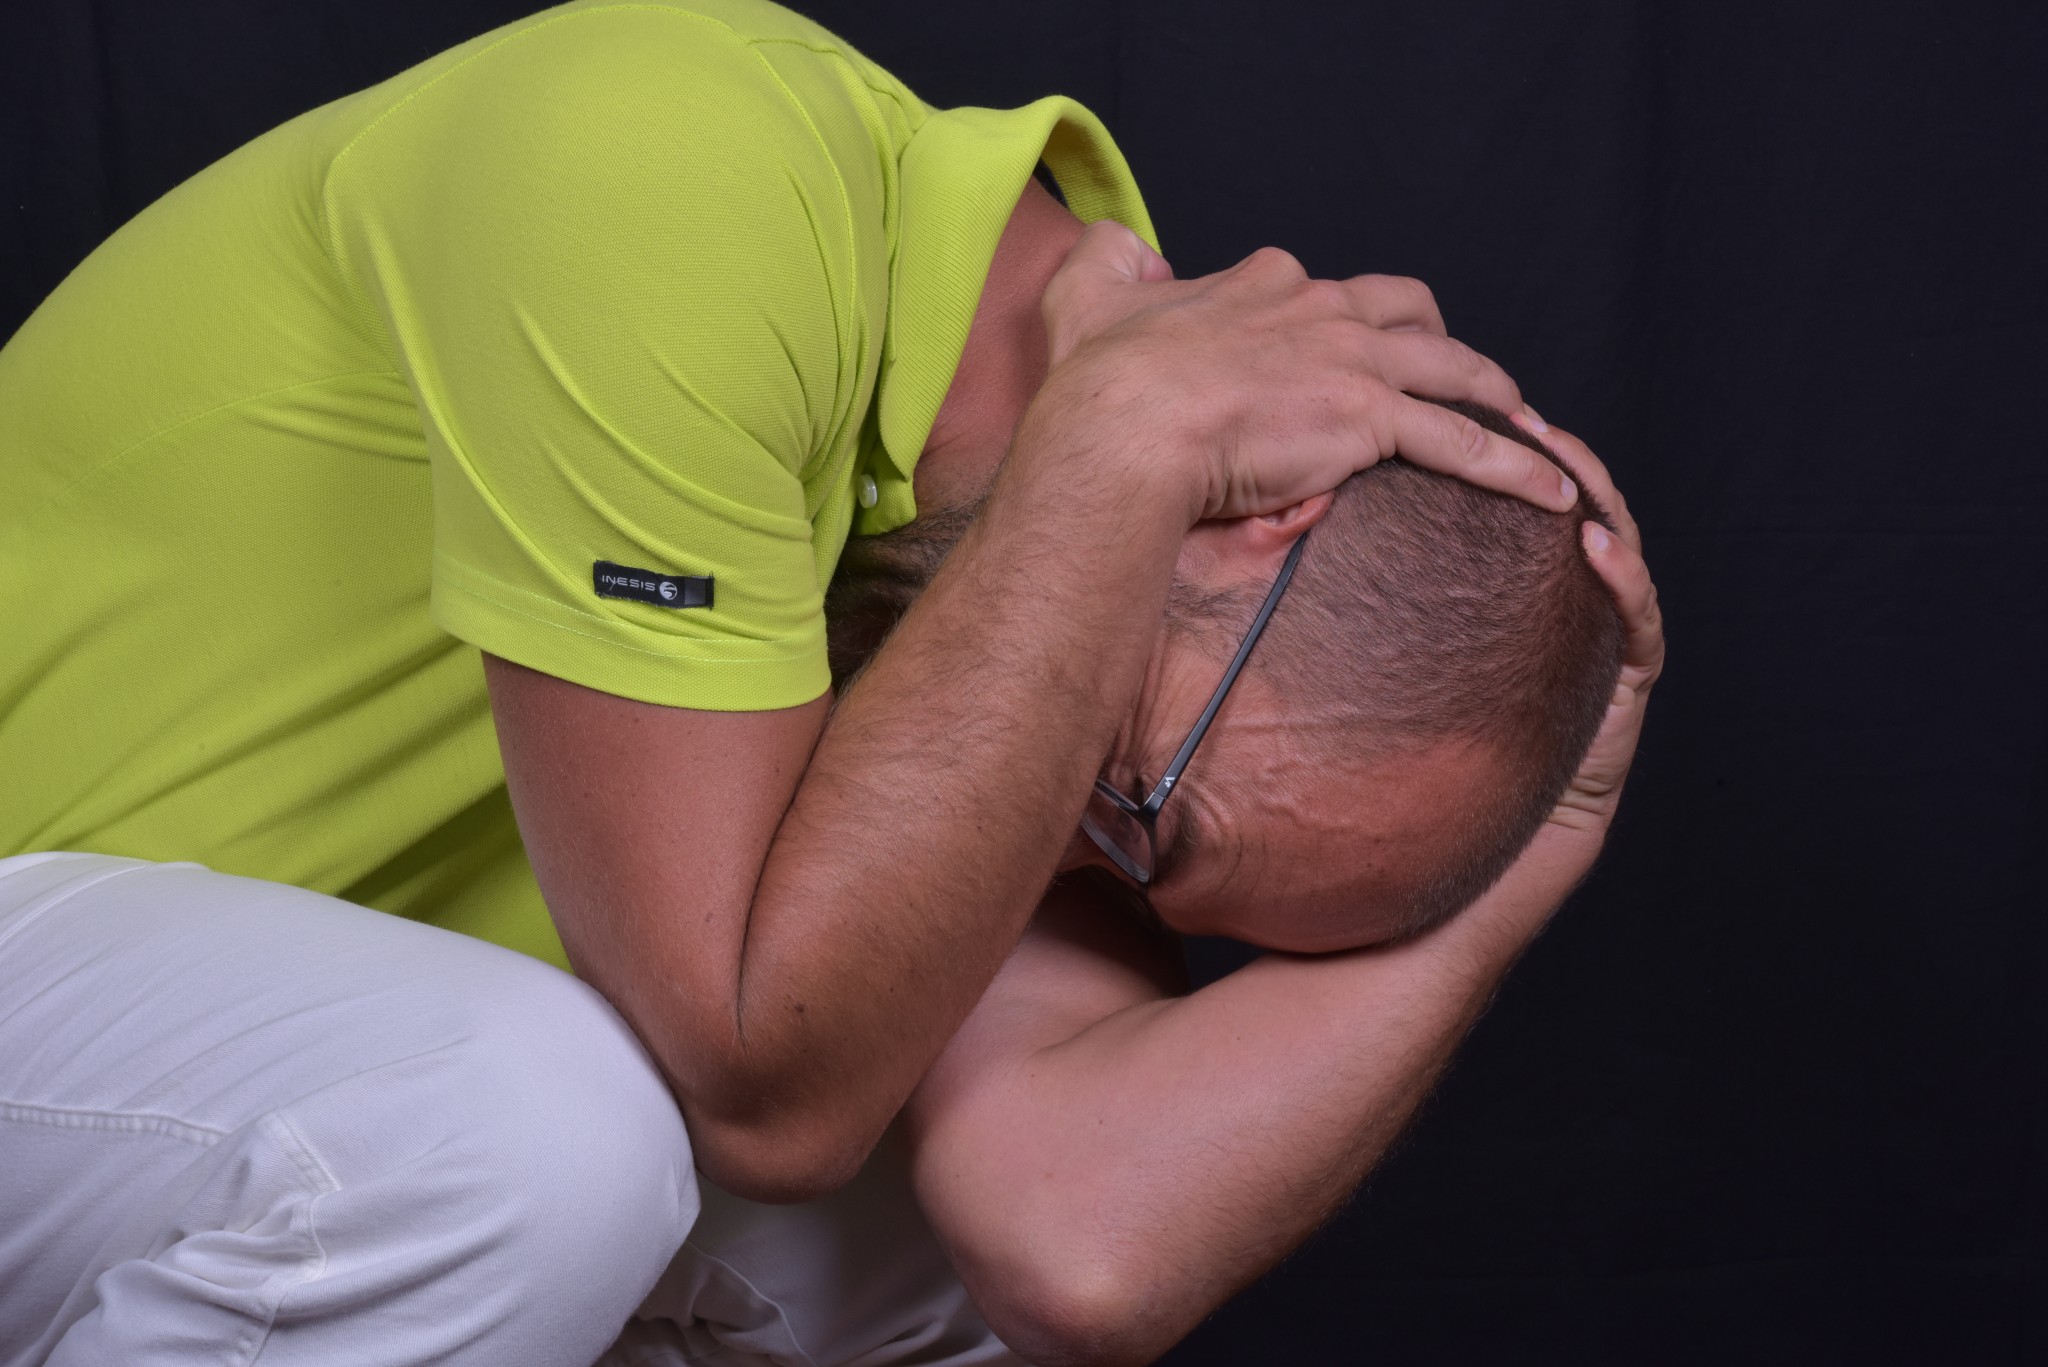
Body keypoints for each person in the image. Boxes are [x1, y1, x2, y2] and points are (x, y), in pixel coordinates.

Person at [0, 0, 1665, 1360]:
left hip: (195, 1094)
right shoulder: (678, 158)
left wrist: (1546, 850)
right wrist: (1120, 444)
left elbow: (1074, 1245)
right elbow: (762, 1091)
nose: (1070, 865)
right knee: (537, 1135)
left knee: (915, 1255)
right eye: (1146, 814)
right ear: (1245, 516)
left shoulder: (1071, 491)